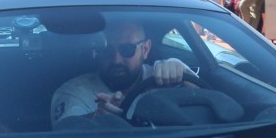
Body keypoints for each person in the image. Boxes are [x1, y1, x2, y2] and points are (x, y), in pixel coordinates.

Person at [50, 19, 188, 127]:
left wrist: (182, 74)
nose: (116, 60)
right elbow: (65, 132)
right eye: (107, 50)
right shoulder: (75, 92)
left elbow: (207, 101)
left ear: (145, 49)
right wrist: (96, 118)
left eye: (127, 49)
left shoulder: (162, 75)